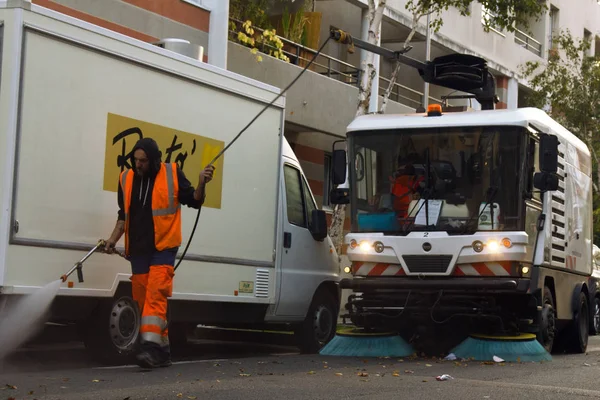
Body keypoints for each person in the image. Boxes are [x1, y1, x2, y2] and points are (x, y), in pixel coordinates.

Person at [104, 137, 215, 368]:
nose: (138, 165)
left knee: (155, 295)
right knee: (144, 302)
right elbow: (123, 216)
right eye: (135, 160)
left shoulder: (173, 173)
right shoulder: (125, 178)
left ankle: (150, 349)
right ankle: (162, 349)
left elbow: (195, 200)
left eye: (143, 161)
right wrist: (112, 240)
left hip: (164, 248)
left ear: (154, 161)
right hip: (139, 251)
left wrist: (202, 183)